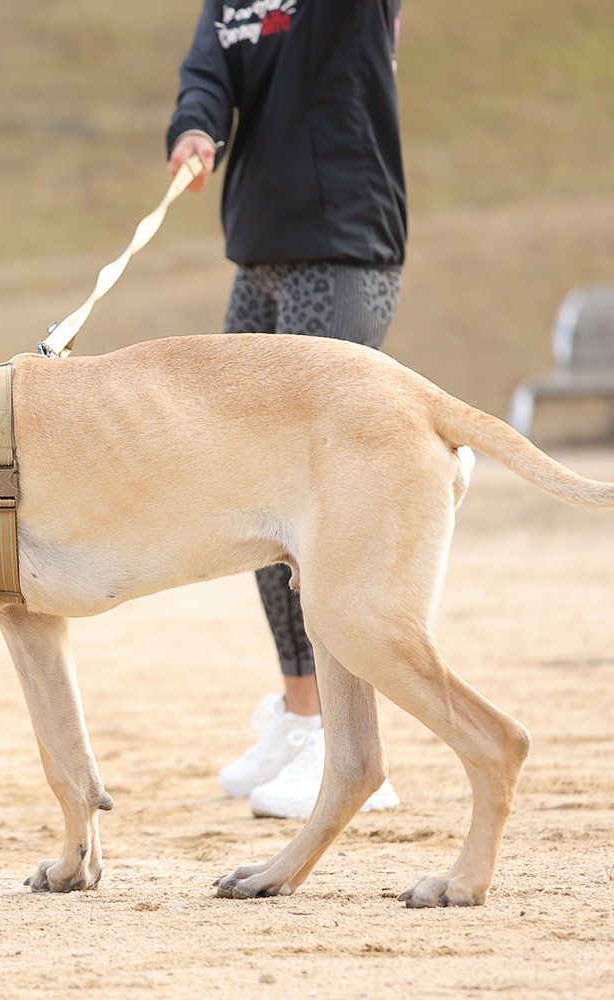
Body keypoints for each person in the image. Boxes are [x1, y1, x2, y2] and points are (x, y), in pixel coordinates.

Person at [166, 0, 405, 819]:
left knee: (321, 505)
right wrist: (196, 129)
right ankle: (302, 713)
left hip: (342, 248)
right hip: (260, 254)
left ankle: (351, 751)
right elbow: (208, 71)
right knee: (259, 497)